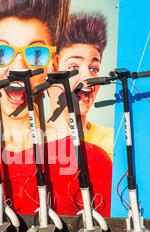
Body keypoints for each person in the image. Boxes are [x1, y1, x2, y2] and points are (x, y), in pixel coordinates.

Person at [0, 0, 70, 154]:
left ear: (54, 63)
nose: (19, 69)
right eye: (1, 53)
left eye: (36, 54)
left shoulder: (81, 156)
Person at [47, 12, 114, 159]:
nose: (89, 77)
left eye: (94, 68)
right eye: (73, 68)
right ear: (52, 69)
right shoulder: (30, 141)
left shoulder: (113, 141)